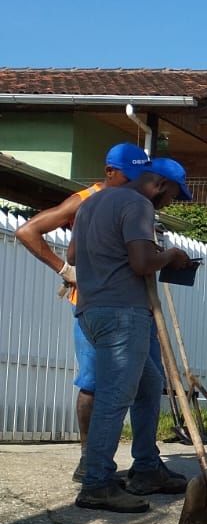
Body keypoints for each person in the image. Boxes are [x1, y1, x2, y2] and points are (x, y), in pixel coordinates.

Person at [16, 142, 154, 468]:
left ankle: (145, 464)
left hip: (128, 307)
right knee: (93, 383)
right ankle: (88, 460)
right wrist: (66, 270)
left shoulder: (133, 201)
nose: (136, 183)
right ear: (109, 172)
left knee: (147, 383)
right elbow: (27, 230)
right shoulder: (86, 199)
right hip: (95, 306)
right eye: (129, 176)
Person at [70, 167, 195, 512]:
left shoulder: (91, 204)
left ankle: (147, 467)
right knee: (115, 397)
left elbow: (71, 257)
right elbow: (142, 263)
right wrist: (170, 256)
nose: (171, 202)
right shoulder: (138, 205)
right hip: (123, 313)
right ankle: (97, 482)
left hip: (92, 310)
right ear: (160, 185)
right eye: (172, 195)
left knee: (148, 383)